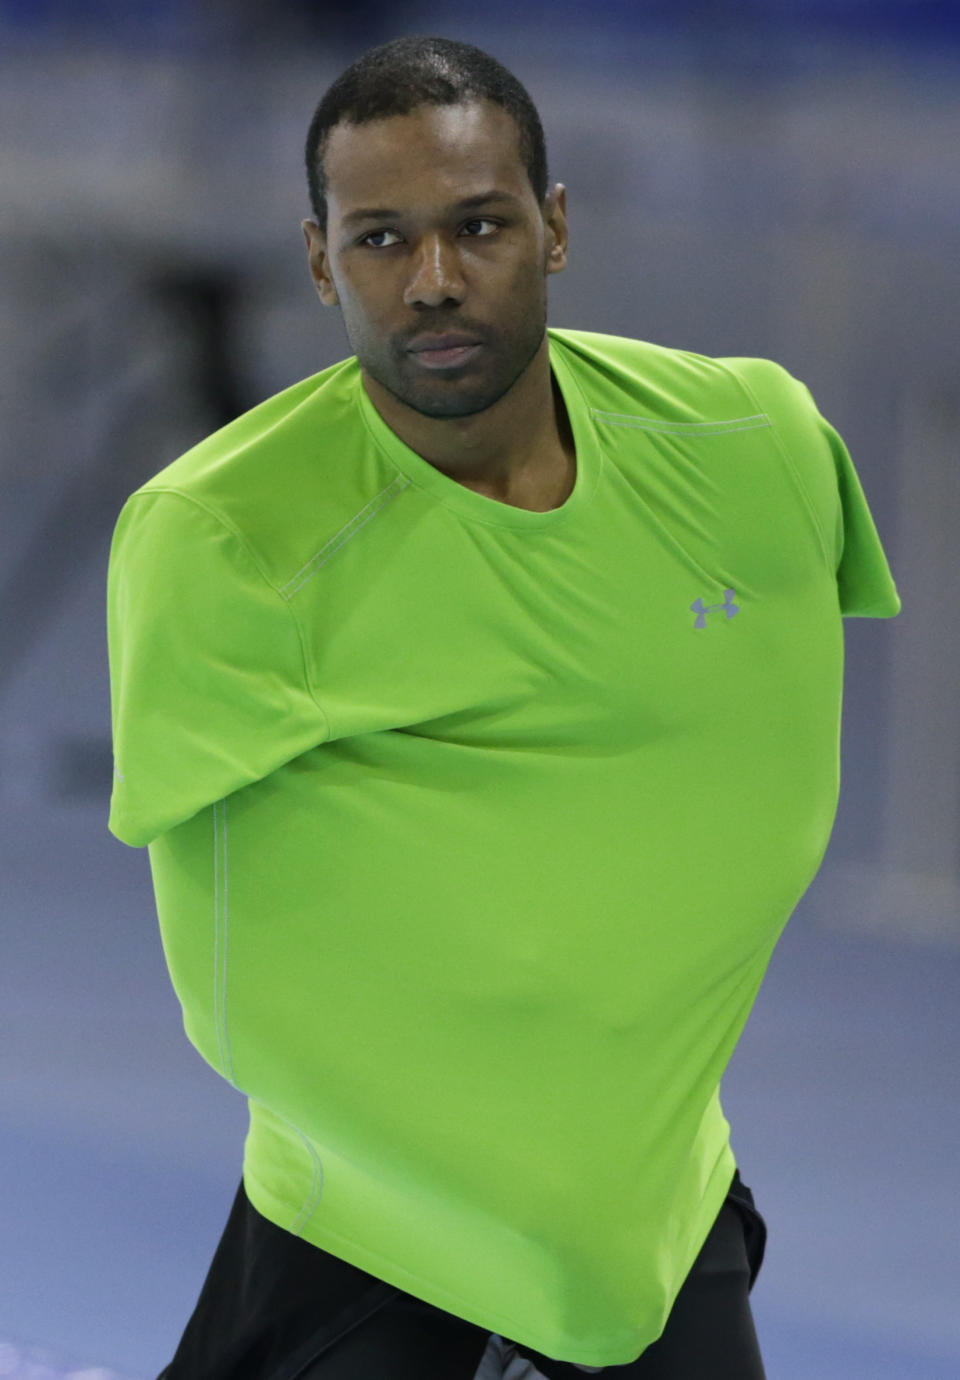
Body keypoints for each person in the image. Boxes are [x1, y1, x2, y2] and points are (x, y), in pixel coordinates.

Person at [105, 34, 902, 1380]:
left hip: (648, 1223)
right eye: (379, 240)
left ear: (557, 227)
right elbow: (226, 955)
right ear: (319, 262)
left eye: (480, 225)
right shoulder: (226, 541)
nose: (433, 282)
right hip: (366, 1242)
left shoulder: (755, 450)